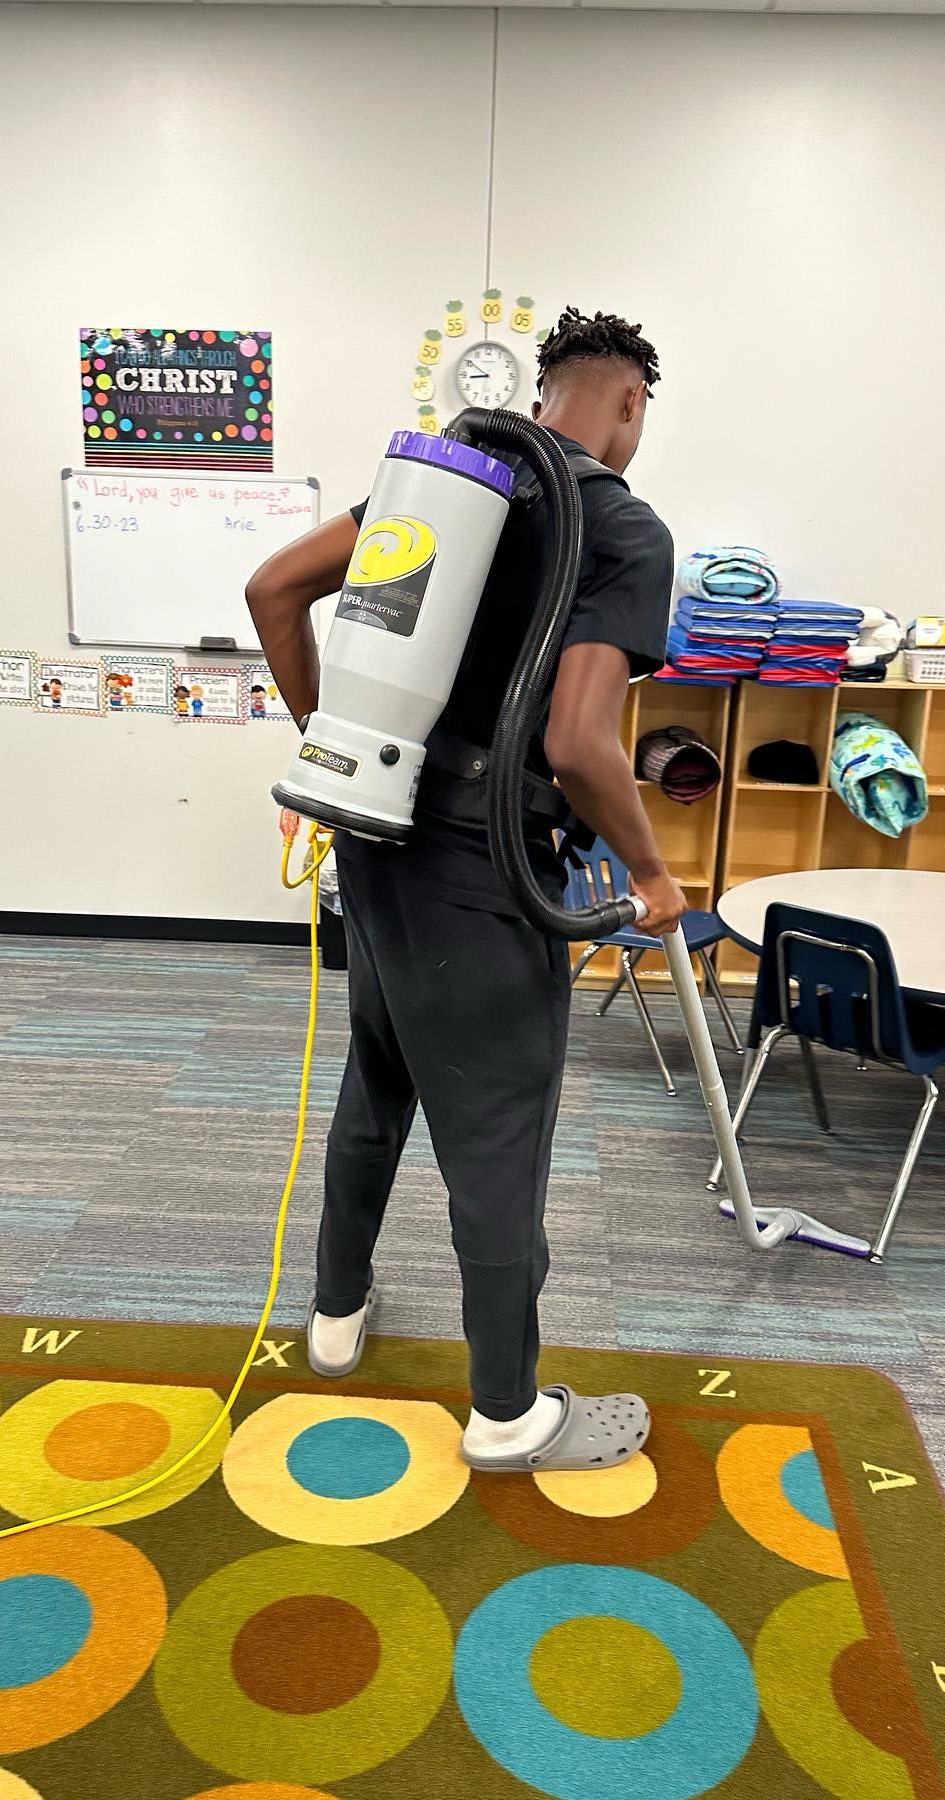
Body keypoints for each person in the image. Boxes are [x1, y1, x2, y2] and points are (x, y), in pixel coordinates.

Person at [245, 308, 684, 1472]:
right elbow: (586, 747)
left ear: (543, 392)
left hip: (378, 841)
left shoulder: (445, 479)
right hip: (489, 875)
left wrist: (337, 743)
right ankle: (507, 1414)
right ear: (631, 404)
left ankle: (335, 1321)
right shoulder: (623, 526)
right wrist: (650, 870)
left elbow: (273, 591)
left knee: (379, 1078)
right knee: (498, 1140)